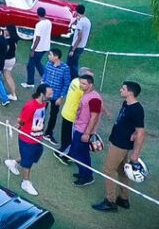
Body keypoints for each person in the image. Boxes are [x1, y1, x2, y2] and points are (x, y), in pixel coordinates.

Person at [93, 81, 146, 212]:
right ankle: (123, 199)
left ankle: (110, 202)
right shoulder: (126, 103)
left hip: (120, 145)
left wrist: (136, 154)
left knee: (108, 170)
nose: (120, 90)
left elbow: (141, 132)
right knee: (122, 170)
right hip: (117, 140)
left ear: (130, 92)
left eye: (123, 89)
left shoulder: (137, 109)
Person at [5, 84, 52, 196]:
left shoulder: (45, 103)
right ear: (42, 93)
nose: (51, 96)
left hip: (37, 137)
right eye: (49, 94)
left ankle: (13, 162)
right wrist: (18, 125)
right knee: (28, 162)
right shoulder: (30, 106)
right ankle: (25, 182)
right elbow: (22, 120)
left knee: (34, 156)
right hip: (27, 138)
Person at [70, 74, 103, 186]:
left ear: (90, 85)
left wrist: (87, 133)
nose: (81, 85)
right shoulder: (87, 94)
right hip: (80, 127)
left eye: (84, 84)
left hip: (83, 130)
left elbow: (94, 117)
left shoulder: (94, 99)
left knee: (77, 153)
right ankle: (85, 173)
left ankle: (86, 176)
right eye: (80, 83)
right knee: (82, 153)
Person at [55, 66, 93, 164]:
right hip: (73, 115)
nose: (91, 74)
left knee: (65, 134)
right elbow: (88, 100)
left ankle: (62, 149)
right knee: (71, 137)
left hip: (66, 111)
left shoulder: (74, 81)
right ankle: (66, 156)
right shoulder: (82, 88)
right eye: (89, 73)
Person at [40, 48, 71, 146]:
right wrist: (42, 83)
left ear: (56, 57)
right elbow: (45, 75)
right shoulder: (48, 64)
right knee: (41, 113)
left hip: (56, 95)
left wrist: (61, 97)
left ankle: (48, 133)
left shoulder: (65, 68)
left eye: (50, 54)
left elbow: (66, 84)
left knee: (53, 115)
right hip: (45, 94)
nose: (48, 56)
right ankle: (39, 130)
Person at [23, 8, 52, 88]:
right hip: (45, 47)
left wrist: (33, 50)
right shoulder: (48, 22)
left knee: (30, 65)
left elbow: (38, 38)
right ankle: (44, 79)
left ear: (37, 14)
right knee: (37, 63)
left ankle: (30, 82)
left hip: (38, 48)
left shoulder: (39, 25)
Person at [67, 4, 91, 77]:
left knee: (70, 65)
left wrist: (73, 50)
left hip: (76, 47)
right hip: (82, 46)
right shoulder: (87, 21)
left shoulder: (81, 23)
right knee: (75, 64)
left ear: (77, 11)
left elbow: (79, 37)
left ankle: (72, 79)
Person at [1, 25, 20, 102]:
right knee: (8, 76)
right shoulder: (14, 39)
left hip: (5, 60)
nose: (4, 30)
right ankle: (13, 94)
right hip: (12, 59)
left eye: (5, 29)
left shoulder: (7, 41)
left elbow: (4, 50)